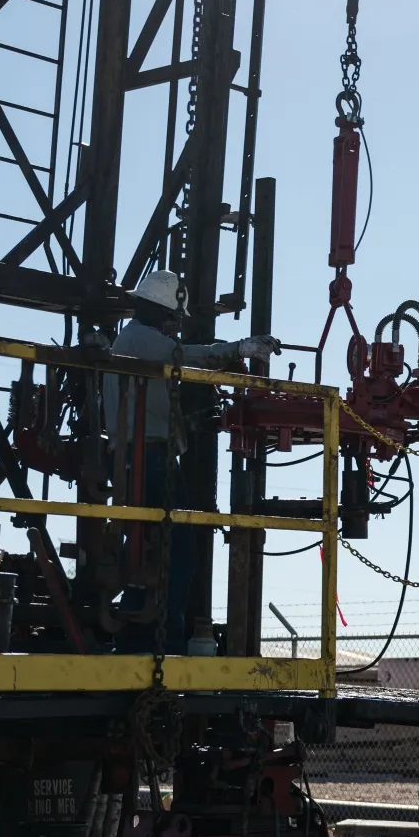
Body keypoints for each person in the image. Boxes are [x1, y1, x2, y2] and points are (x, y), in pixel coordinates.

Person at [101, 267, 280, 651]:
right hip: (150, 460)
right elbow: (185, 357)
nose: (173, 326)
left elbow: (158, 399)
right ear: (160, 310)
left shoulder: (132, 340)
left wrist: (193, 423)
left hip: (138, 459)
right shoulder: (142, 340)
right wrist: (238, 350)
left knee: (147, 542)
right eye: (172, 318)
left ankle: (140, 627)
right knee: (178, 551)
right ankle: (163, 640)